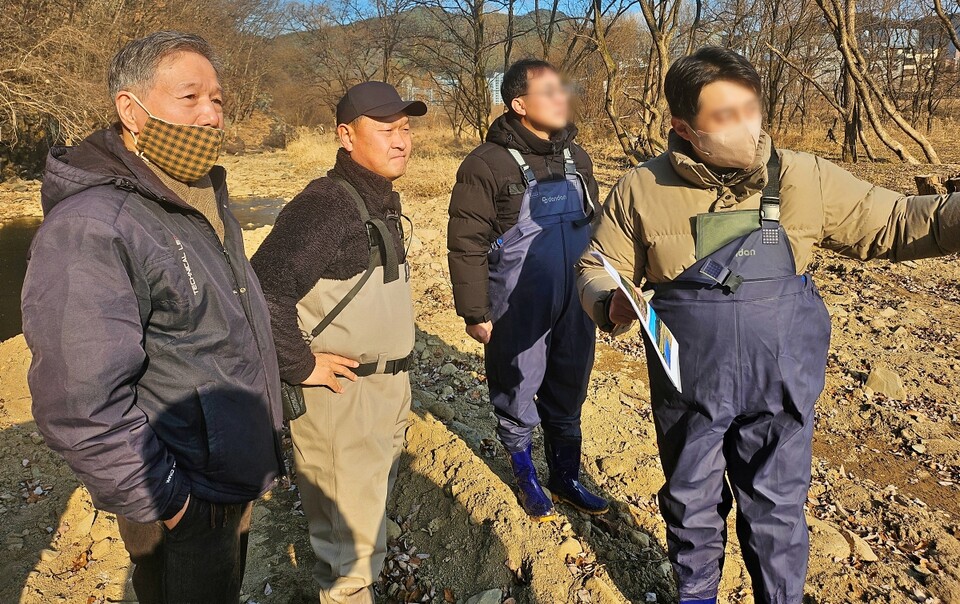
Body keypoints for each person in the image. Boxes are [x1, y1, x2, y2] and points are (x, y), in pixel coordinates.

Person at [577, 46, 960, 604]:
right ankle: (696, 594)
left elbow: (898, 221)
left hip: (780, 382)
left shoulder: (806, 177)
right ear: (682, 127)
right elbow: (593, 265)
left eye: (751, 109)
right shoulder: (641, 188)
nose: (746, 127)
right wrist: (610, 301)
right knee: (690, 501)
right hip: (690, 387)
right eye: (724, 116)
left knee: (777, 507)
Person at [21, 31, 284, 603]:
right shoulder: (94, 224)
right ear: (130, 110)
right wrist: (171, 504)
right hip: (182, 496)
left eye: (218, 100)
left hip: (225, 477)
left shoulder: (196, 197)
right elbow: (79, 401)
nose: (211, 115)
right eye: (189, 98)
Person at [251, 81, 426, 604]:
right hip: (342, 396)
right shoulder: (326, 205)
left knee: (370, 489)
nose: (401, 141)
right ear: (345, 136)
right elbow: (262, 290)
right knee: (343, 535)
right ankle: (348, 587)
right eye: (385, 129)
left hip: (387, 387)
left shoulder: (379, 198)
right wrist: (300, 364)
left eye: (406, 128)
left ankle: (367, 543)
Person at [447, 59, 607, 522]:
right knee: (517, 389)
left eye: (563, 90)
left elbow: (597, 228)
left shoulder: (578, 157)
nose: (562, 99)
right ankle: (525, 474)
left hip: (576, 299)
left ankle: (565, 475)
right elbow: (466, 241)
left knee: (570, 384)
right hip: (519, 303)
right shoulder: (485, 164)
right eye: (550, 91)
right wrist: (474, 311)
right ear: (519, 104)